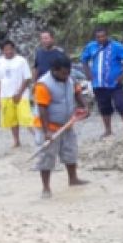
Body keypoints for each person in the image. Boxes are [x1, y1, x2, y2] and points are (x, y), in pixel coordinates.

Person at [32, 55, 89, 197]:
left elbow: (77, 93)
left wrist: (84, 107)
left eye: (68, 72)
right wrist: (46, 132)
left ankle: (73, 179)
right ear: (54, 70)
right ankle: (46, 188)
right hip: (48, 126)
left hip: (67, 123)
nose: (66, 75)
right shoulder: (43, 84)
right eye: (63, 73)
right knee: (46, 157)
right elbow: (42, 108)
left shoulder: (71, 78)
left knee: (71, 152)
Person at [79, 27, 123, 138]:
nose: (101, 39)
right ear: (95, 38)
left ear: (107, 36)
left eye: (103, 36)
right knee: (104, 107)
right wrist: (88, 73)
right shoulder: (91, 46)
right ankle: (108, 131)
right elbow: (84, 59)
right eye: (98, 37)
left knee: (122, 105)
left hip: (114, 84)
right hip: (98, 84)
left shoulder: (116, 47)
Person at [0, 40, 33, 148]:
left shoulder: (21, 61)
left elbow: (27, 78)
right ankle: (16, 140)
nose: (8, 51)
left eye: (10, 49)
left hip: (21, 94)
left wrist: (19, 93)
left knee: (26, 117)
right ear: (2, 51)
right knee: (12, 120)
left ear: (14, 49)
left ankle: (38, 137)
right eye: (5, 50)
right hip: (5, 95)